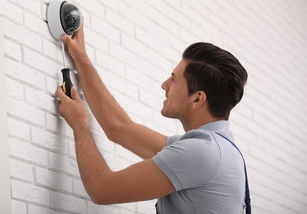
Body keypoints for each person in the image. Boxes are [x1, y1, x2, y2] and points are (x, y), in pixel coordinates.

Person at [55, 23, 250, 214]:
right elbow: (120, 127)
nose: (164, 85)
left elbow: (102, 189)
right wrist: (81, 58)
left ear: (197, 98)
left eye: (174, 79)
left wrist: (80, 125)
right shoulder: (215, 149)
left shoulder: (201, 153)